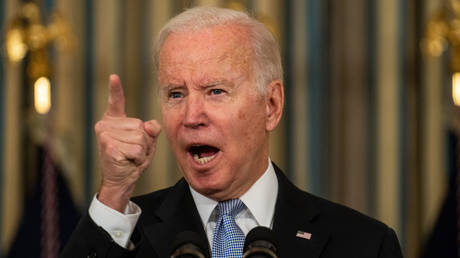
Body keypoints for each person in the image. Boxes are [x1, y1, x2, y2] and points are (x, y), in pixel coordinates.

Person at [61, 6, 403, 258]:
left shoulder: (363, 244)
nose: (192, 116)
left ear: (271, 105)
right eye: (176, 94)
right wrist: (114, 192)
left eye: (216, 91)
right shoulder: (122, 234)